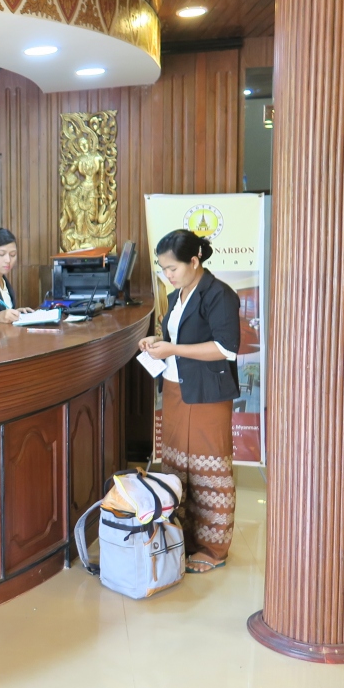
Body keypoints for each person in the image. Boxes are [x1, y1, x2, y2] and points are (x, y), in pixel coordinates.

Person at [138, 229, 241, 574]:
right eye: (164, 269)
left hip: (207, 394)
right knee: (177, 468)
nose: (167, 275)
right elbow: (175, 338)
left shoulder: (219, 294)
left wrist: (173, 348)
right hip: (175, 390)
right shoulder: (178, 294)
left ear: (194, 261)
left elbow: (226, 348)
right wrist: (157, 343)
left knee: (209, 471)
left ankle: (214, 548)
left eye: (173, 268)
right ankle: (183, 539)